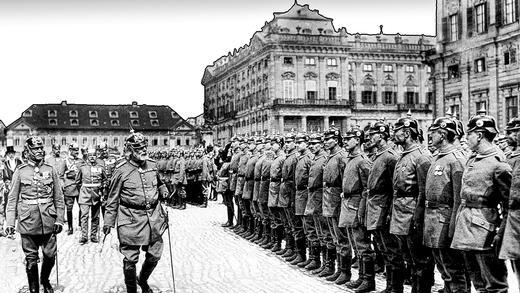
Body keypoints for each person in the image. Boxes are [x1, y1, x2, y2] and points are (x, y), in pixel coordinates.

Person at [451, 109, 510, 292]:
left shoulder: (498, 163)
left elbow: (510, 204)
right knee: (477, 281)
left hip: (486, 229)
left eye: (468, 134)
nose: (466, 138)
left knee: (494, 284)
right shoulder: (473, 158)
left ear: (479, 135)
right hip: (467, 226)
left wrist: (501, 233)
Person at [103, 132, 169, 293]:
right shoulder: (121, 170)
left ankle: (143, 280)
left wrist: (163, 189)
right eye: (138, 148)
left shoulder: (152, 165)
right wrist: (108, 222)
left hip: (153, 218)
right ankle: (132, 290)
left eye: (144, 147)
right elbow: (112, 199)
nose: (142, 150)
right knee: (131, 258)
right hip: (130, 219)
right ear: (130, 150)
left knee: (155, 254)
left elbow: (159, 182)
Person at [5, 136, 65, 293]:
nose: (39, 151)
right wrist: (10, 223)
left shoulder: (50, 170)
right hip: (28, 221)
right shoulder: (20, 171)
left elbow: (59, 197)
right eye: (35, 149)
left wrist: (59, 219)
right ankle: (34, 289)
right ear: (28, 151)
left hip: (48, 221)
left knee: (50, 256)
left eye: (40, 148)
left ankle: (44, 280)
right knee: (31, 259)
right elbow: (12, 200)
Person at [390, 112, 435, 293]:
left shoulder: (422, 156)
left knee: (420, 260)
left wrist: (418, 217)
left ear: (407, 133)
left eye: (398, 130)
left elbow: (425, 191)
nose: (394, 134)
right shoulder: (404, 154)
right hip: (401, 211)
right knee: (408, 257)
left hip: (413, 213)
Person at [424, 117, 469, 293]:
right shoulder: (438, 157)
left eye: (433, 132)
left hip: (446, 219)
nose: (430, 136)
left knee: (454, 269)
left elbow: (459, 198)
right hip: (434, 220)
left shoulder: (456, 159)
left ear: (442, 134)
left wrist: (453, 226)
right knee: (443, 267)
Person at [366, 120, 404, 293]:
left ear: (381, 136)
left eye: (372, 135)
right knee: (383, 248)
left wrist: (390, 211)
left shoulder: (390, 157)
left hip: (384, 207)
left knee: (392, 249)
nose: (368, 137)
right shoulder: (379, 155)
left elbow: (394, 187)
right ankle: (389, 285)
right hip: (375, 206)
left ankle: (395, 287)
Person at [340, 126, 374, 291]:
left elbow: (367, 189)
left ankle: (368, 280)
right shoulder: (351, 159)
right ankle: (361, 277)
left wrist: (361, 210)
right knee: (356, 243)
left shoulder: (362, 160)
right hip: (349, 204)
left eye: (349, 139)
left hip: (357, 205)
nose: (345, 142)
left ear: (358, 140)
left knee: (363, 244)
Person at [321, 127, 347, 279]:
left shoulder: (341, 157)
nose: (325, 142)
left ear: (336, 140)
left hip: (337, 200)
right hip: (329, 199)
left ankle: (344, 271)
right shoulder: (331, 156)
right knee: (334, 236)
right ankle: (336, 268)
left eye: (328, 139)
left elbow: (345, 181)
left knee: (341, 237)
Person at [500, 117, 520, 287]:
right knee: (516, 262)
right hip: (513, 218)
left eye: (515, 131)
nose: (511, 135)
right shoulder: (511, 157)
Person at [304, 132, 328, 272]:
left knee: (324, 232)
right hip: (312, 197)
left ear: (321, 143)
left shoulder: (324, 158)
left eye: (314, 144)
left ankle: (327, 264)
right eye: (310, 144)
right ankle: (315, 259)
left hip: (320, 198)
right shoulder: (315, 158)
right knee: (316, 231)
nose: (312, 146)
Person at [75, 147, 107, 244]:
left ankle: (93, 236)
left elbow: (105, 180)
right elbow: (77, 181)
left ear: (96, 156)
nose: (92, 157)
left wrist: (103, 191)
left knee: (95, 217)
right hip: (84, 195)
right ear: (87, 156)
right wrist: (82, 191)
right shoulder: (82, 167)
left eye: (94, 155)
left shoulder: (101, 167)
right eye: (90, 156)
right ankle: (84, 236)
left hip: (96, 195)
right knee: (84, 216)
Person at [293, 133, 312, 267]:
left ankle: (312, 258)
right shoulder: (300, 158)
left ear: (306, 143)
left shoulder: (309, 158)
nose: (297, 145)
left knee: (309, 228)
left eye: (300, 142)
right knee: (300, 226)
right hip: (299, 193)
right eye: (297, 142)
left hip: (306, 194)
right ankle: (300, 254)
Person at [63, 142, 83, 235]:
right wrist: (63, 185)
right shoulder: (65, 161)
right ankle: (70, 227)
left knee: (81, 206)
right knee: (69, 208)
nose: (76, 152)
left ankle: (81, 224)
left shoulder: (81, 161)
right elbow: (60, 175)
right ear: (70, 150)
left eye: (77, 150)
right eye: (74, 150)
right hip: (69, 187)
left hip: (79, 187)